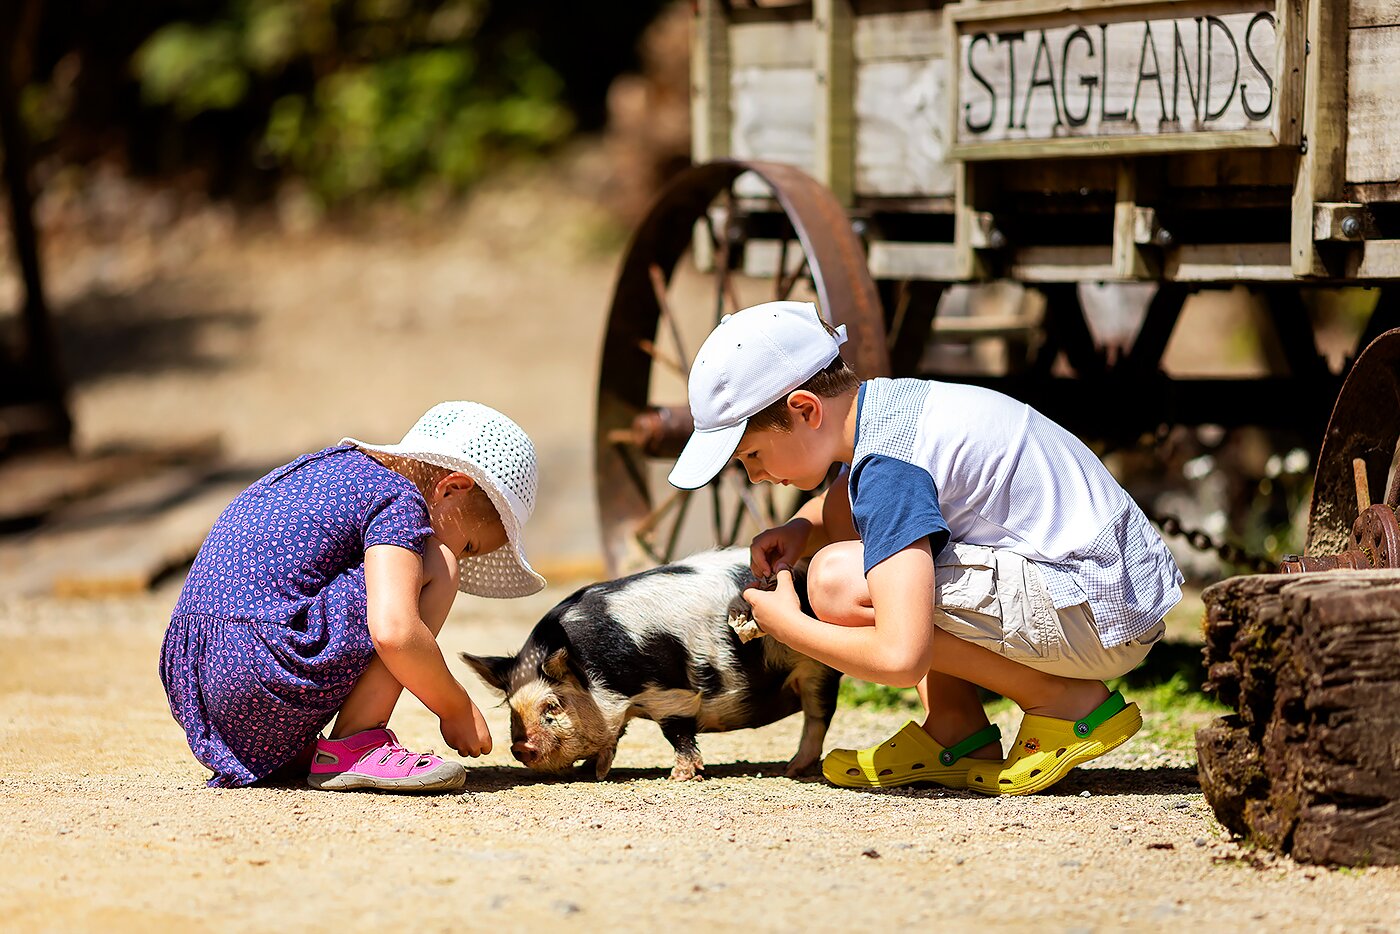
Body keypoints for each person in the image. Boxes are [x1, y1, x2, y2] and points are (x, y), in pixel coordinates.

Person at [668, 301, 1182, 796]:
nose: (754, 474)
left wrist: (789, 628)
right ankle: (955, 728)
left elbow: (900, 657)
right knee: (863, 549)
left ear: (805, 409)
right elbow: (850, 505)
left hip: (1097, 610)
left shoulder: (890, 470)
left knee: (836, 582)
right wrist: (803, 528)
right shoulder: (889, 411)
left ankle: (1063, 703)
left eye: (751, 454)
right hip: (1109, 589)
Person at [160, 401, 546, 791]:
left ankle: (287, 752)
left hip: (197, 681)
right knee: (440, 566)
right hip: (261, 665)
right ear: (452, 488)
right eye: (471, 545)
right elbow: (394, 630)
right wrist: (455, 707)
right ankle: (355, 744)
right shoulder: (400, 500)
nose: (464, 555)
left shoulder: (335, 468)